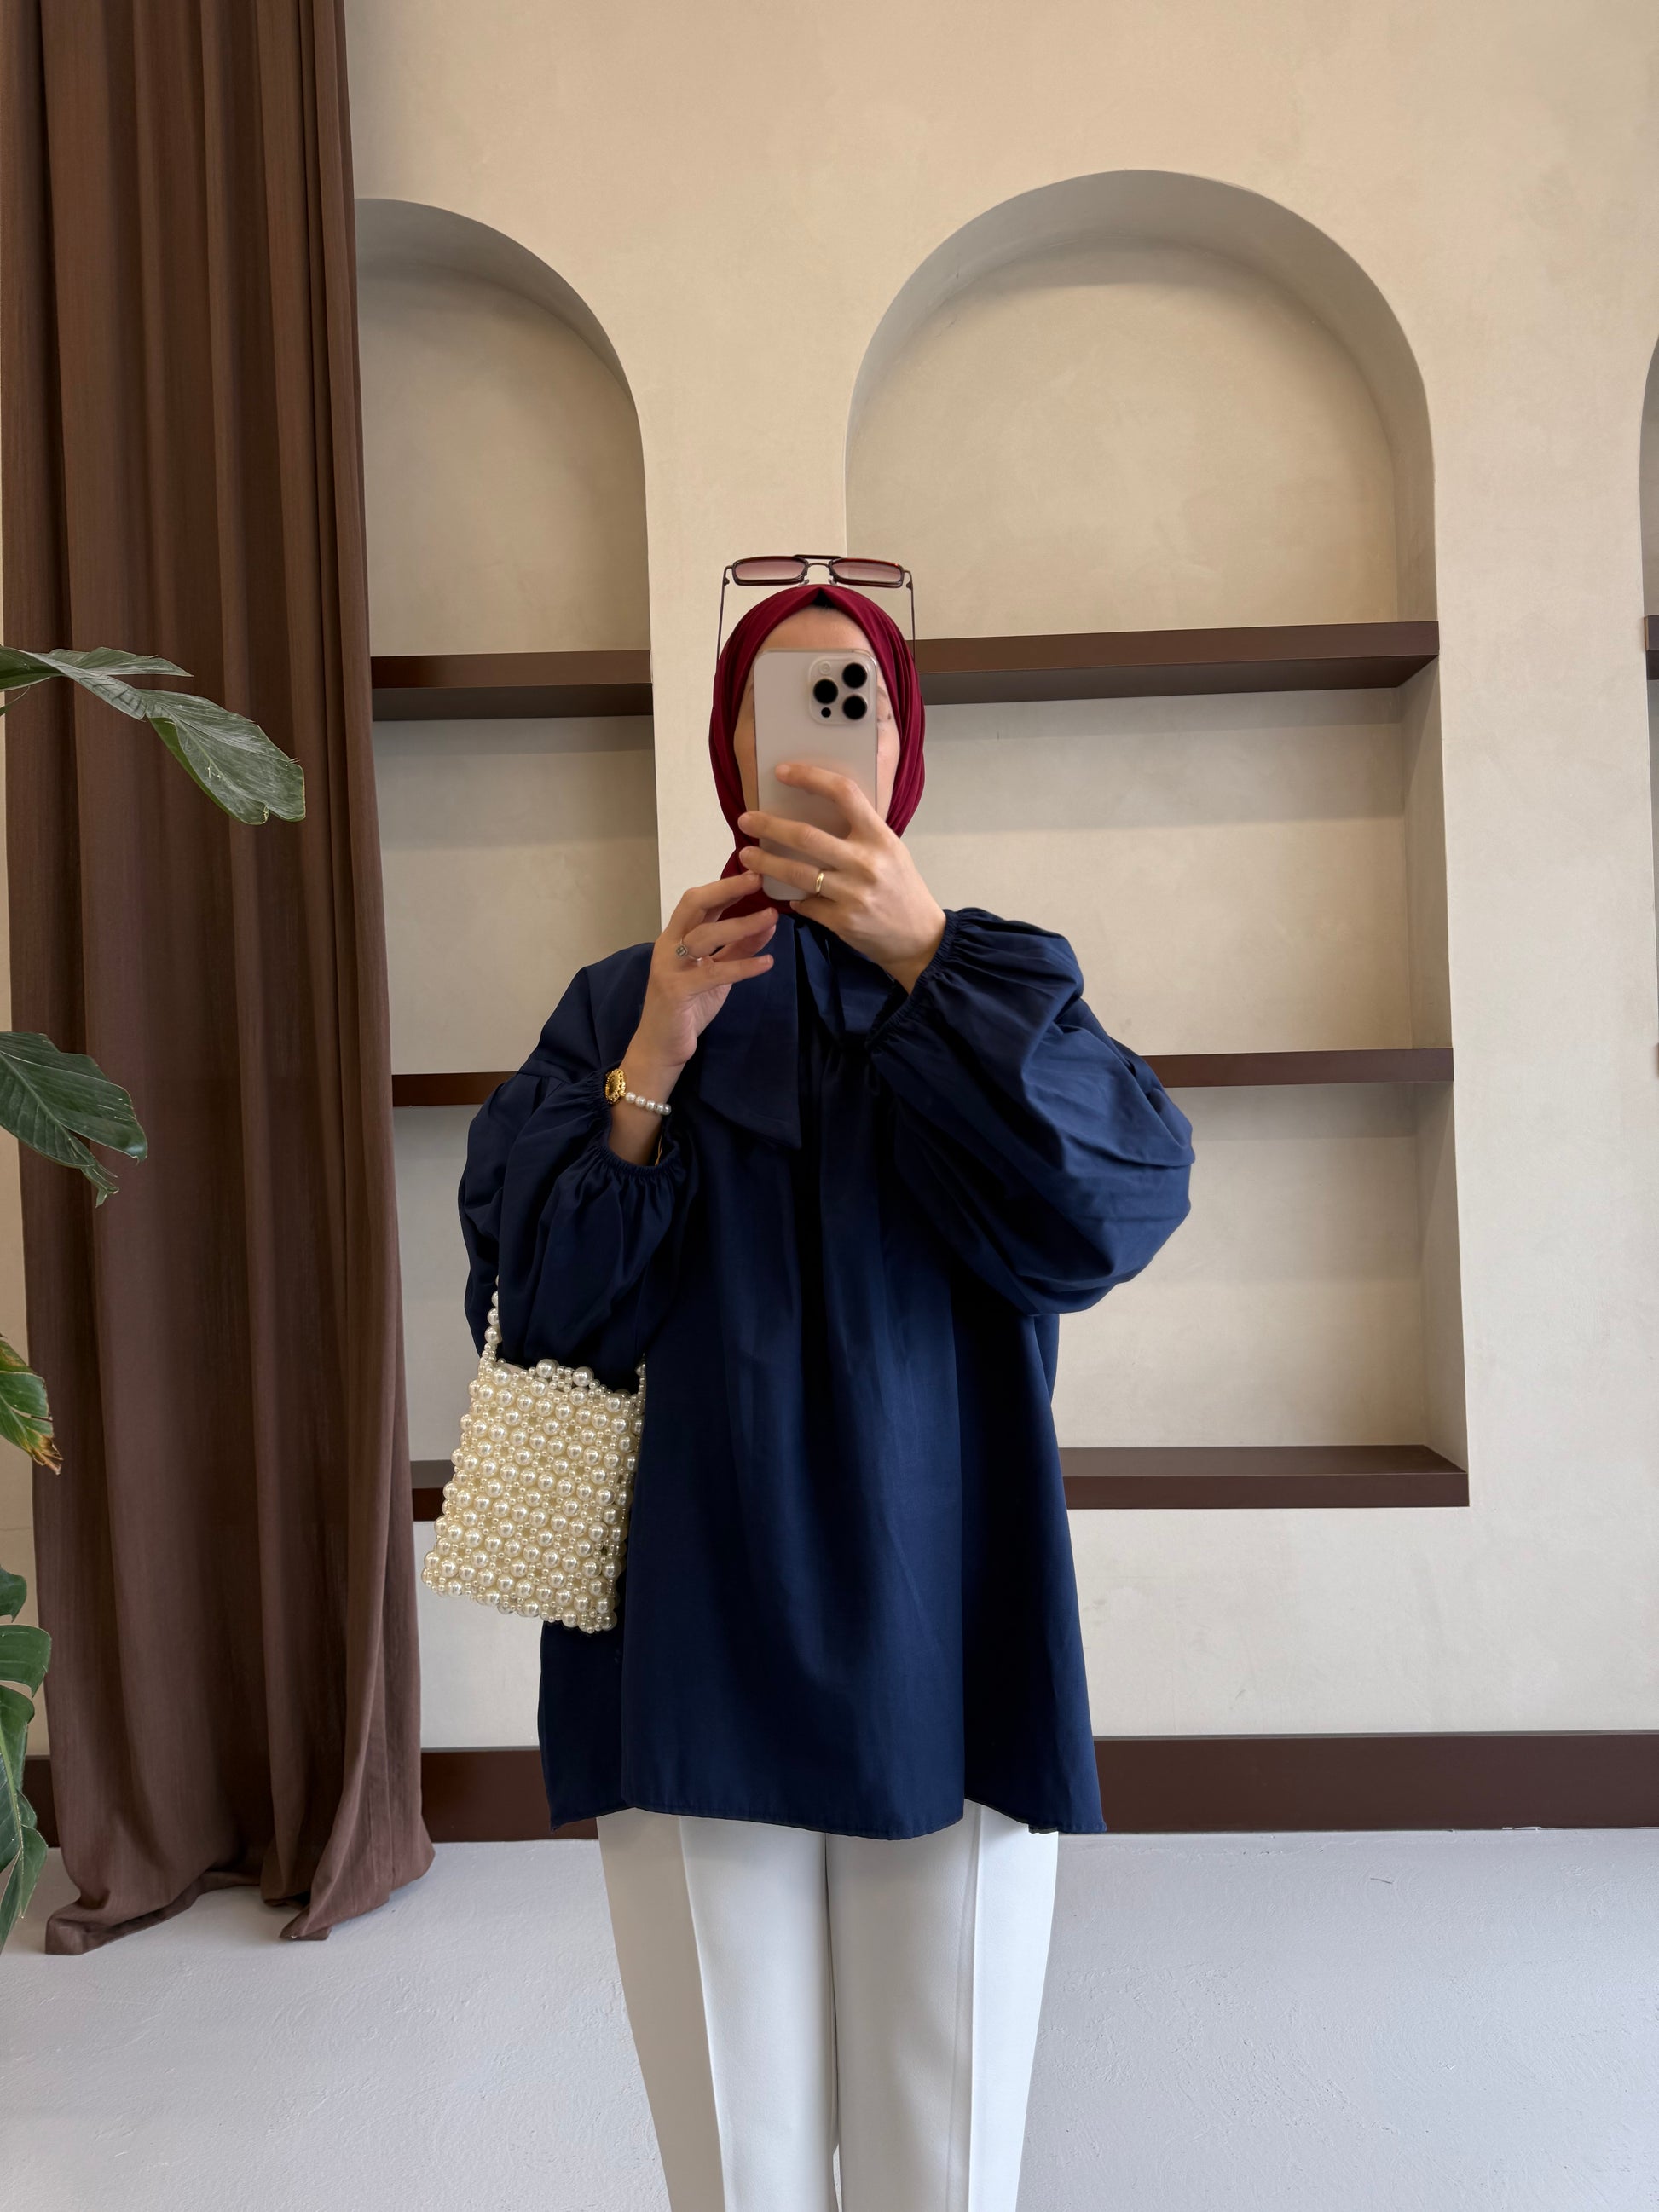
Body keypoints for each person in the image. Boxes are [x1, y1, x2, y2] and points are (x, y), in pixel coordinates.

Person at [458, 578, 1195, 2212]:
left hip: (953, 1611)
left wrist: (927, 962)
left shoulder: (995, 985)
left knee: (946, 2159)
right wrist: (656, 1054)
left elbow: (1117, 1207)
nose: (815, 735)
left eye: (847, 694)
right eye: (779, 701)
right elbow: (544, 1310)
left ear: (901, 738)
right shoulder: (622, 998)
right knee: (740, 2167)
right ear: (727, 744)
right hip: (680, 1625)